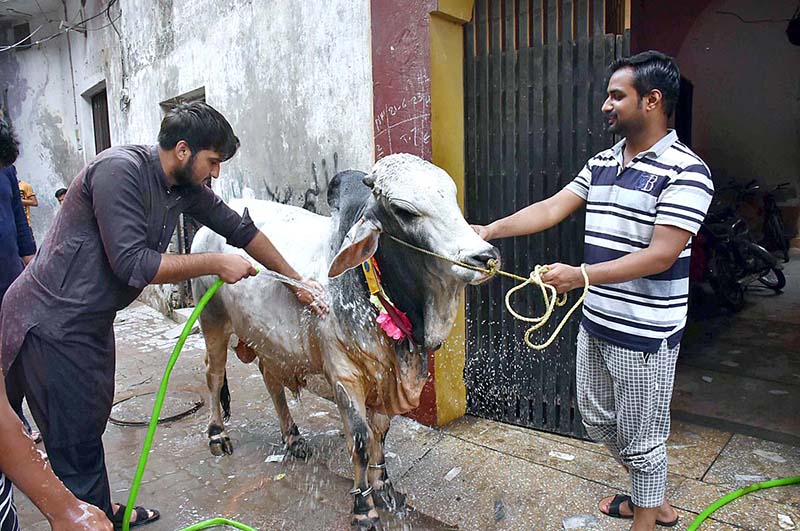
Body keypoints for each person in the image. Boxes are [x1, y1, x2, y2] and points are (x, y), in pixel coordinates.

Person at [1, 102, 328, 529]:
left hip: (90, 321)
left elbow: (241, 230)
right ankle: (85, 516)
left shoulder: (183, 187)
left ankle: (97, 509)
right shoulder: (119, 172)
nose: (216, 174)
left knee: (85, 429)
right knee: (70, 441)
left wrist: (298, 282)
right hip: (49, 321)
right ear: (182, 150)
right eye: (213, 162)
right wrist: (215, 263)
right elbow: (133, 264)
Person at [472, 51, 713, 531]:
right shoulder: (602, 162)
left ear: (652, 100)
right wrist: (489, 230)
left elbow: (661, 255)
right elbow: (551, 207)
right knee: (597, 420)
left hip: (646, 334)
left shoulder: (688, 172)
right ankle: (655, 495)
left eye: (616, 96)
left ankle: (648, 514)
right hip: (597, 321)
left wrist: (580, 276)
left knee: (645, 441)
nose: (605, 105)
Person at [0, 119, 112, 531]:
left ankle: (91, 504)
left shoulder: (6, 173)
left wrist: (35, 283)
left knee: (26, 427)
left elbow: (20, 231)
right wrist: (62, 509)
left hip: (15, 300)